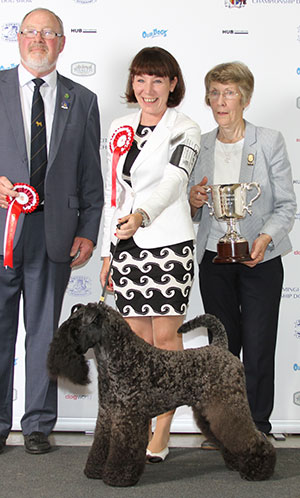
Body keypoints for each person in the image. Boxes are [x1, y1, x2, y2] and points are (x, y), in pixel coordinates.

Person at [0, 8, 103, 455]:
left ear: (62, 43)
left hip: (56, 234)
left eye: (49, 33)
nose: (38, 39)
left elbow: (90, 175)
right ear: (17, 38)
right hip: (3, 231)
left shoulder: (83, 99)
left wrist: (88, 229)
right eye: (31, 32)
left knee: (45, 333)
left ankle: (38, 425)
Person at [100, 46, 200, 462]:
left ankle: (163, 431)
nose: (148, 88)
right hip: (126, 247)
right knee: (136, 342)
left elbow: (175, 182)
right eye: (140, 79)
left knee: (165, 340)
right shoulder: (119, 125)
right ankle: (137, 423)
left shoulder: (186, 128)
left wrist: (142, 214)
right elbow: (113, 193)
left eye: (157, 79)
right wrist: (108, 249)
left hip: (170, 245)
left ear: (172, 84)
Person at [189, 61, 296, 448]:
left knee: (258, 342)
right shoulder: (198, 143)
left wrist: (264, 238)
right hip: (214, 260)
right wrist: (194, 200)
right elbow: (191, 209)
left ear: (245, 98)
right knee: (221, 347)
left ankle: (257, 427)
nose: (221, 100)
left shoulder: (268, 141)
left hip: (260, 260)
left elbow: (286, 204)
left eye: (230, 92)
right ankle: (221, 428)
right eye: (215, 92)